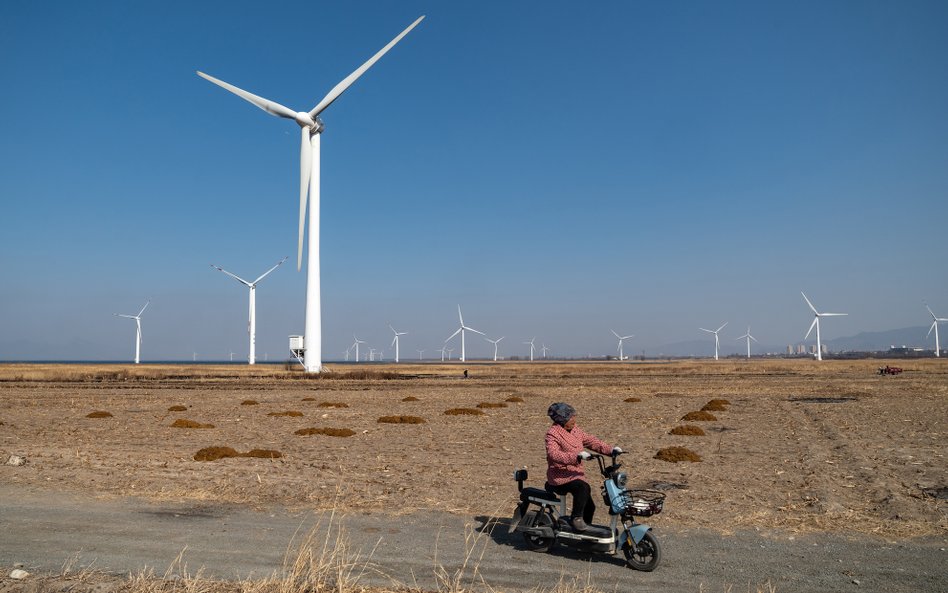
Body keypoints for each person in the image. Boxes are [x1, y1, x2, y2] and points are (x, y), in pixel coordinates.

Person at [545, 402, 622, 532]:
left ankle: (584, 534)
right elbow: (553, 454)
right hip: (559, 476)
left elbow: (591, 441)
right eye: (571, 417)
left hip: (575, 475)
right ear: (562, 419)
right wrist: (576, 456)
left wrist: (611, 450)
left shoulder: (575, 430)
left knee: (590, 506)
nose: (574, 419)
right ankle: (576, 518)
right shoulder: (552, 434)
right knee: (583, 487)